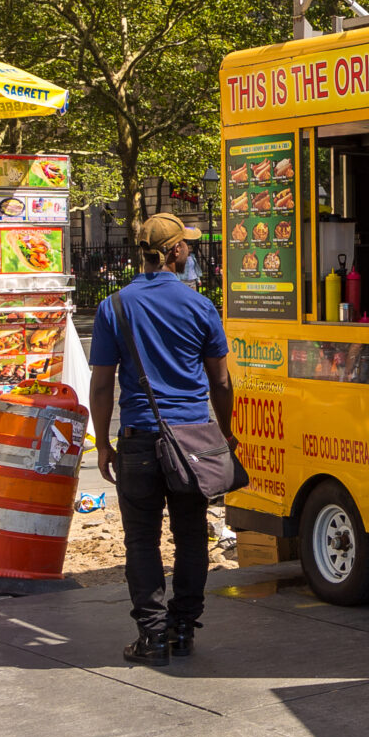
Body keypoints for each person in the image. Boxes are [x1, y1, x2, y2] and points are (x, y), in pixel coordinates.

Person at [88, 212, 232, 667]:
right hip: (192, 441)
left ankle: (152, 639)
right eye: (186, 243)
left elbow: (101, 384)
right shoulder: (199, 305)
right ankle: (184, 628)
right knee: (191, 538)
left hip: (137, 441)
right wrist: (224, 433)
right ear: (175, 251)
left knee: (141, 543)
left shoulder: (115, 306)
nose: (190, 249)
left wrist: (104, 443)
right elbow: (221, 382)